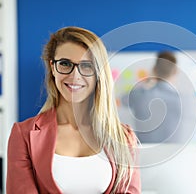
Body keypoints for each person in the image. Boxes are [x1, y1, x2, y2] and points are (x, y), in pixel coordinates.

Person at [6, 26, 141, 193]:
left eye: (86, 66)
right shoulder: (23, 135)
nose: (75, 76)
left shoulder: (124, 137)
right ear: (53, 67)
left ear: (99, 72)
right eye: (65, 64)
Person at [122, 51, 183, 143]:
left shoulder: (138, 95)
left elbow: (123, 100)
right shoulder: (182, 100)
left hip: (144, 153)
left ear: (154, 69)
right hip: (175, 152)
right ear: (175, 72)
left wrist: (144, 84)